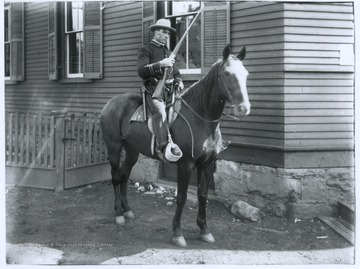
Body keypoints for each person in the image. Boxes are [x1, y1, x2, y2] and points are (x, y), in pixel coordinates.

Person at [137, 19, 184, 161]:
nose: (166, 35)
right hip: (153, 90)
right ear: (156, 32)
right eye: (164, 32)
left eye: (168, 33)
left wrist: (179, 81)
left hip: (170, 92)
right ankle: (162, 147)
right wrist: (160, 64)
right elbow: (141, 71)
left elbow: (176, 72)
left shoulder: (168, 52)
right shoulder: (146, 50)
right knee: (160, 112)